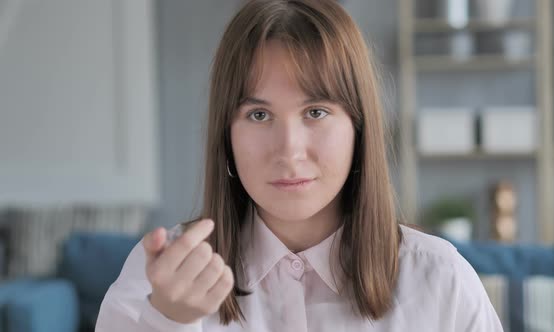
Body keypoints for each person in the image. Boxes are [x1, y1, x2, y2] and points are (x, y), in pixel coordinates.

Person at [95, 0, 503, 331]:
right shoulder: (161, 279)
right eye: (258, 115)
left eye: (316, 112)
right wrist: (168, 320)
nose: (289, 151)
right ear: (226, 135)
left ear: (359, 128)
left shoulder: (440, 278)